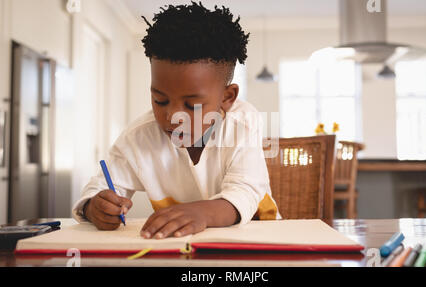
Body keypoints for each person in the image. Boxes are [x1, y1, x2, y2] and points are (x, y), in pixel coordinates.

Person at [72, 1, 280, 239]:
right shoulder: (140, 137)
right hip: (179, 250)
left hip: (255, 242)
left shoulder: (242, 123)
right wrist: (94, 206)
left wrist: (202, 213)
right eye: (160, 100)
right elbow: (98, 188)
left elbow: (245, 191)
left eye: (192, 105)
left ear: (227, 97)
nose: (172, 116)